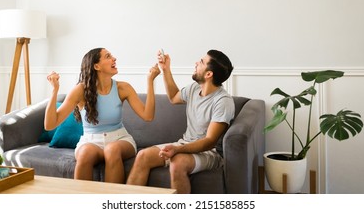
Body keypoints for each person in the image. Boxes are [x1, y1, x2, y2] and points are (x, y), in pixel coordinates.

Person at [44, 48, 160, 183]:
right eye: (108, 56)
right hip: (91, 141)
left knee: (112, 150)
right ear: (96, 66)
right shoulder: (80, 90)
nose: (114, 58)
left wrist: (150, 81)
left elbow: (148, 116)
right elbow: (50, 124)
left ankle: (110, 202)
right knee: (84, 154)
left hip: (120, 139)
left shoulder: (123, 88)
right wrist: (54, 90)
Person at [126, 49, 235, 193]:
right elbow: (173, 97)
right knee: (143, 156)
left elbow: (209, 141)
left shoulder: (223, 101)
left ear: (209, 74)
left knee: (177, 163)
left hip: (209, 153)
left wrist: (177, 150)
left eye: (201, 62)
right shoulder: (195, 88)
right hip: (185, 144)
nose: (196, 63)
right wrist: (165, 70)